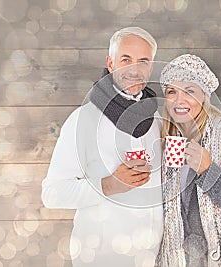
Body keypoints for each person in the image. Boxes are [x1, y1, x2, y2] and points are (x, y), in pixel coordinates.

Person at [41, 27, 163, 267]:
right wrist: (108, 185)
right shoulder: (83, 120)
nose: (134, 70)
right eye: (125, 59)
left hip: (152, 257)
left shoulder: (157, 119)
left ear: (150, 67)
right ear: (110, 63)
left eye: (143, 61)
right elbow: (51, 194)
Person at [156, 54, 221, 267]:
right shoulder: (161, 141)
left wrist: (208, 171)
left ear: (204, 95)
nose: (180, 100)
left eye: (190, 91)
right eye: (172, 92)